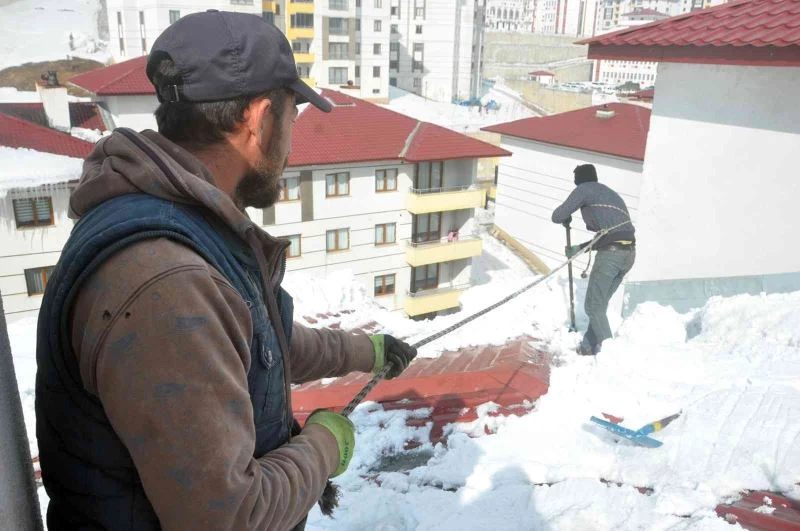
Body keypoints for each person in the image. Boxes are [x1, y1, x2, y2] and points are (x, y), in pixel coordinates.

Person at [35, 11, 417, 531]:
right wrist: (326, 445)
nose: (290, 143)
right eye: (292, 118)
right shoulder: (169, 285)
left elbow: (258, 344)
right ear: (259, 119)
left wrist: (365, 351)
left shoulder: (186, 222)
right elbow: (230, 518)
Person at [551, 164, 636, 356]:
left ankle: (611, 356)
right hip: (628, 254)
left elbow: (557, 216)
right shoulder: (610, 194)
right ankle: (588, 348)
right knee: (599, 305)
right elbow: (610, 235)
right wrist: (579, 249)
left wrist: (567, 216)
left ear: (579, 179)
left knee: (592, 306)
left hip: (611, 256)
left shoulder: (584, 189)